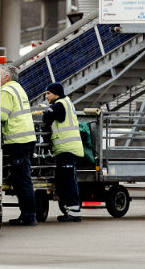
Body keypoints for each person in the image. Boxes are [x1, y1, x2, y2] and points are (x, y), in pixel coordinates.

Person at [0, 65, 37, 227]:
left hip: (18, 141)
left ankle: (29, 216)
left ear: (7, 77)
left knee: (22, 180)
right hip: (27, 139)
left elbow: (1, 115)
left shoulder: (7, 91)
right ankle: (29, 214)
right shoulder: (19, 89)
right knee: (22, 178)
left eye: (0, 74)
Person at [43, 82, 84, 223]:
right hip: (65, 149)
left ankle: (74, 212)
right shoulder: (65, 102)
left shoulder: (60, 104)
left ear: (56, 93)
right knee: (62, 181)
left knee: (68, 181)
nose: (46, 96)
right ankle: (70, 210)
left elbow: (46, 118)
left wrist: (46, 112)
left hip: (68, 149)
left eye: (48, 93)